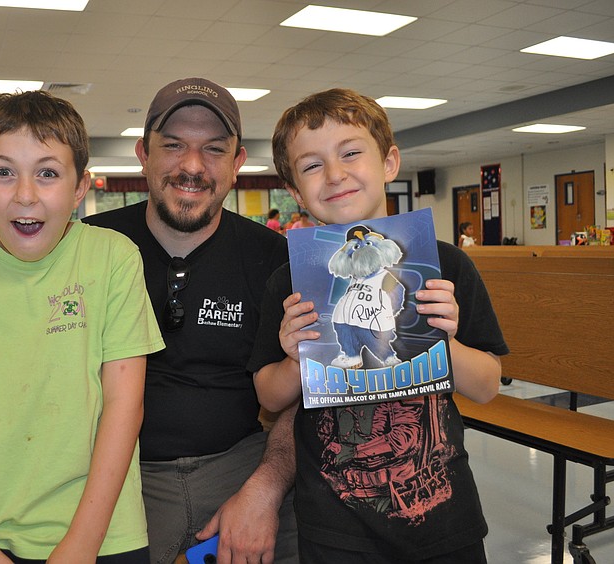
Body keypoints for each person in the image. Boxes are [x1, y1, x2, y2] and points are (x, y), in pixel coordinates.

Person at [0, 90, 165, 563]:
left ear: (80, 186)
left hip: (102, 531)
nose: (25, 194)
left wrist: (80, 548)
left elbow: (125, 405)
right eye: (3, 172)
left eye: (47, 173)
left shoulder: (113, 258)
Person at [248, 88, 509, 563]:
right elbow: (269, 396)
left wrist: (442, 341)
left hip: (444, 518)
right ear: (294, 191)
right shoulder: (288, 282)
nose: (334, 174)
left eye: (351, 153)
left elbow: (488, 386)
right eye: (311, 165)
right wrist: (293, 357)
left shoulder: (445, 266)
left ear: (389, 162)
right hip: (334, 527)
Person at [83, 78, 298, 564]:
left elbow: (302, 393)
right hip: (120, 472)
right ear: (143, 153)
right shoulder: (90, 247)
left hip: (244, 467)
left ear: (238, 162)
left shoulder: (275, 257)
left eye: (214, 149)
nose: (193, 166)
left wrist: (265, 489)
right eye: (173, 146)